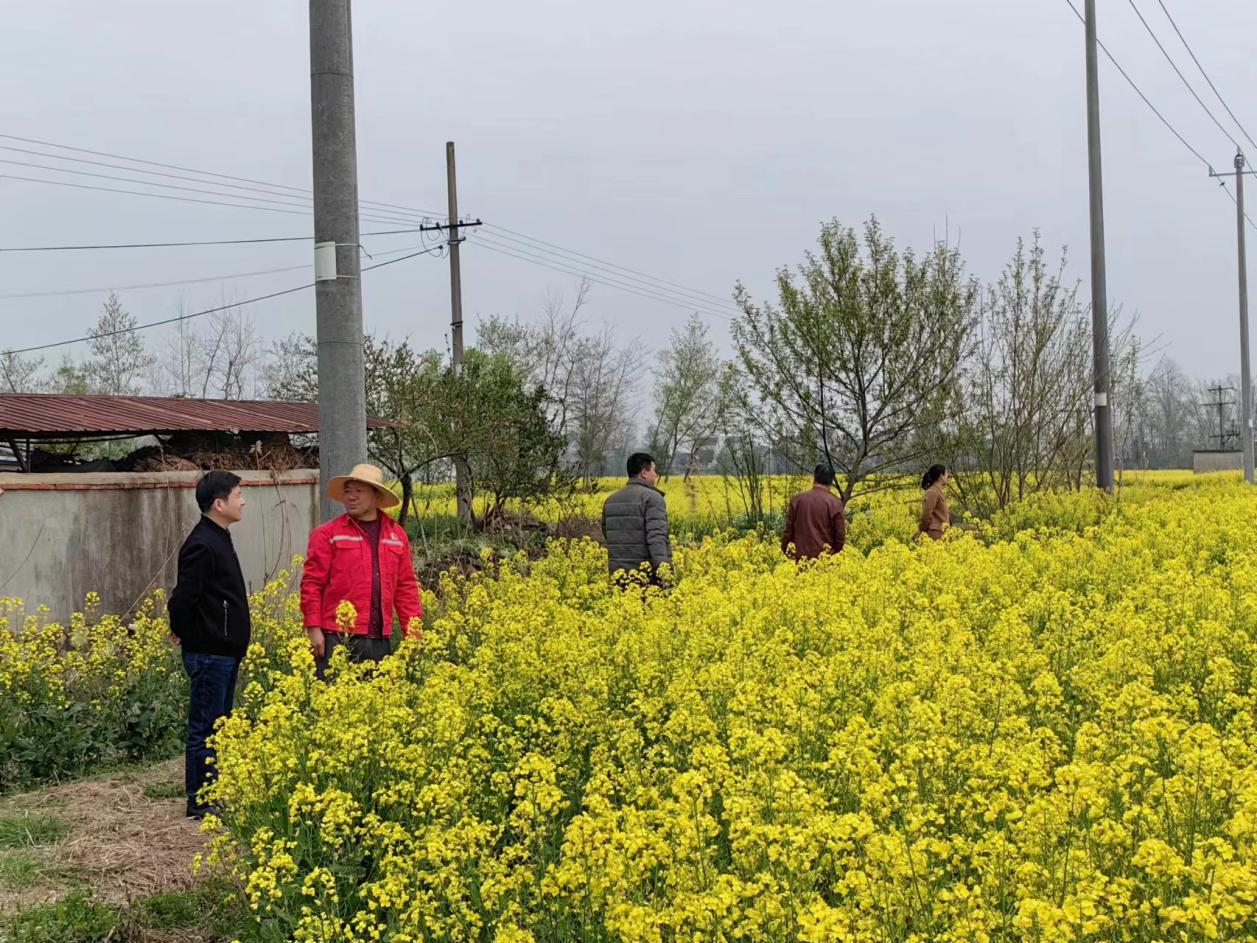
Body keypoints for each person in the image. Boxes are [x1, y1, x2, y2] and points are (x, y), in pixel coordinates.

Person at [168, 470, 250, 820]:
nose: (243, 500)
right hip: (210, 652)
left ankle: (212, 792)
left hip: (224, 651)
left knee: (218, 727)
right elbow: (183, 598)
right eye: (238, 494)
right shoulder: (203, 543)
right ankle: (199, 800)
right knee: (205, 728)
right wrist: (183, 631)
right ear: (219, 503)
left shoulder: (218, 536)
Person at [300, 463, 422, 677]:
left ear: (376, 496)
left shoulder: (396, 535)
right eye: (348, 492)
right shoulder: (328, 534)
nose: (351, 497)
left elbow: (406, 588)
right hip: (335, 636)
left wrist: (413, 634)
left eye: (359, 491)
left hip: (379, 639)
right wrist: (313, 628)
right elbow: (312, 584)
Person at [602, 452, 673, 586]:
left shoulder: (610, 500)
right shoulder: (652, 498)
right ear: (644, 473)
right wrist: (664, 572)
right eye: (653, 470)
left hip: (618, 576)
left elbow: (608, 533)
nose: (656, 475)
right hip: (645, 577)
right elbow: (657, 537)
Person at [782, 464, 847, 559]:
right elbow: (840, 537)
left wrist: (785, 554)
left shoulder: (796, 500)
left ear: (814, 477)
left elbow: (788, 533)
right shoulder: (835, 503)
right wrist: (832, 555)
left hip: (798, 560)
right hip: (824, 561)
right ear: (831, 481)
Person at [919, 463, 950, 541]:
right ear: (941, 476)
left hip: (942, 532)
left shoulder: (938, 491)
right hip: (936, 533)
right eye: (946, 474)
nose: (947, 476)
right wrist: (922, 530)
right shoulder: (933, 492)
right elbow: (927, 513)